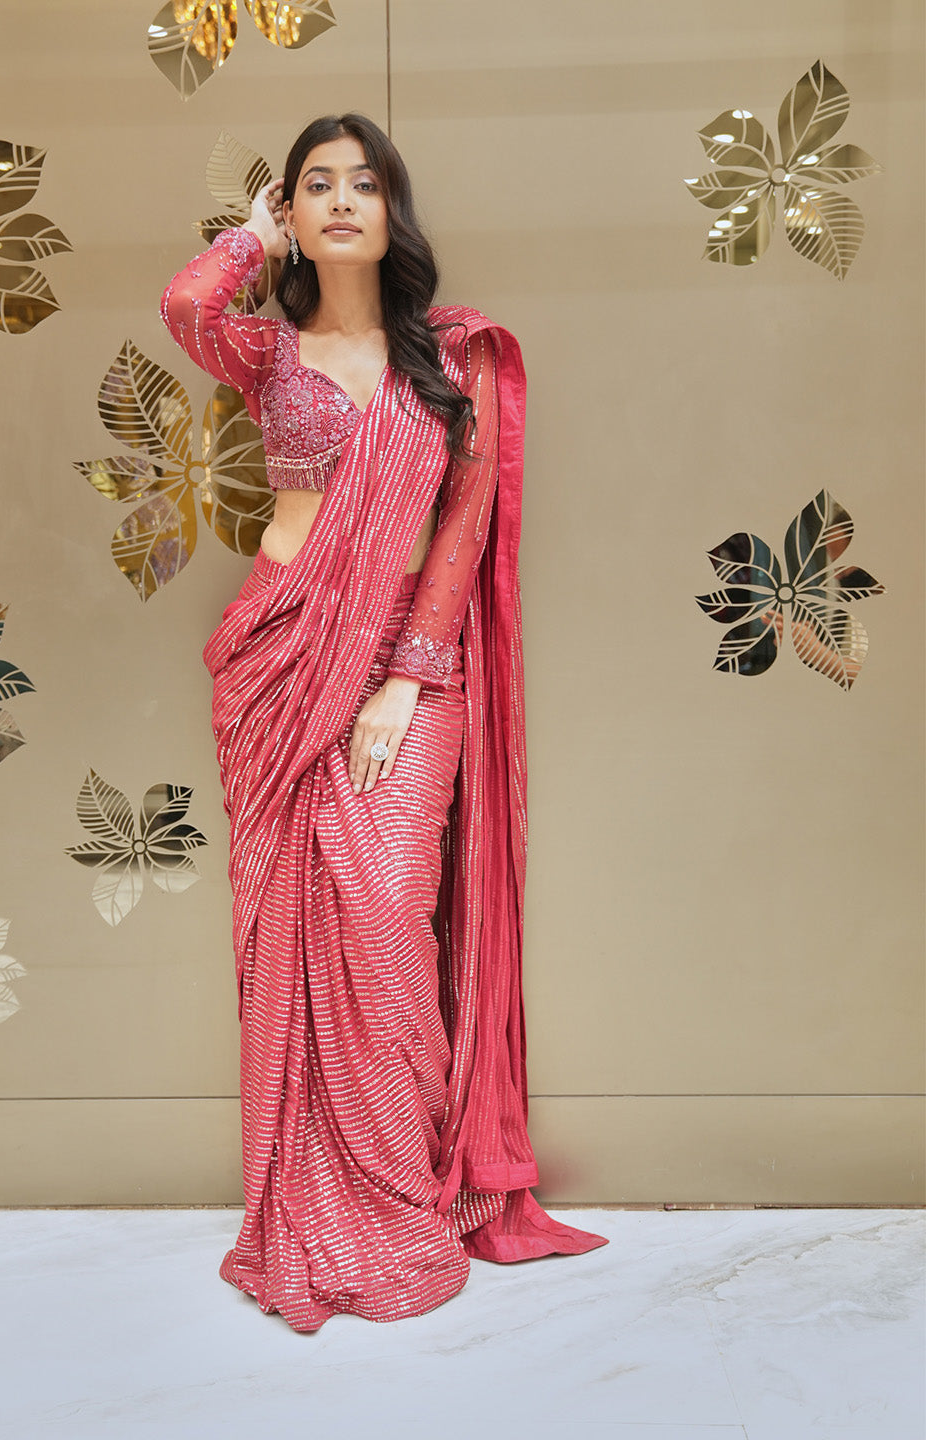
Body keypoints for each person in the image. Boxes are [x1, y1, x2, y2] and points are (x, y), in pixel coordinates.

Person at [160, 112, 608, 1333]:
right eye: (317, 186)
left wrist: (408, 677)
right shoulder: (265, 352)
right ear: (297, 216)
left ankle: (399, 1189)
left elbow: (460, 535)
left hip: (411, 668)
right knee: (288, 936)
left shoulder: (449, 364)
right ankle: (306, 1196)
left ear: (393, 211)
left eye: (365, 183)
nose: (342, 200)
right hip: (279, 659)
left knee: (381, 915)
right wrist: (246, 240)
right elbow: (185, 306)